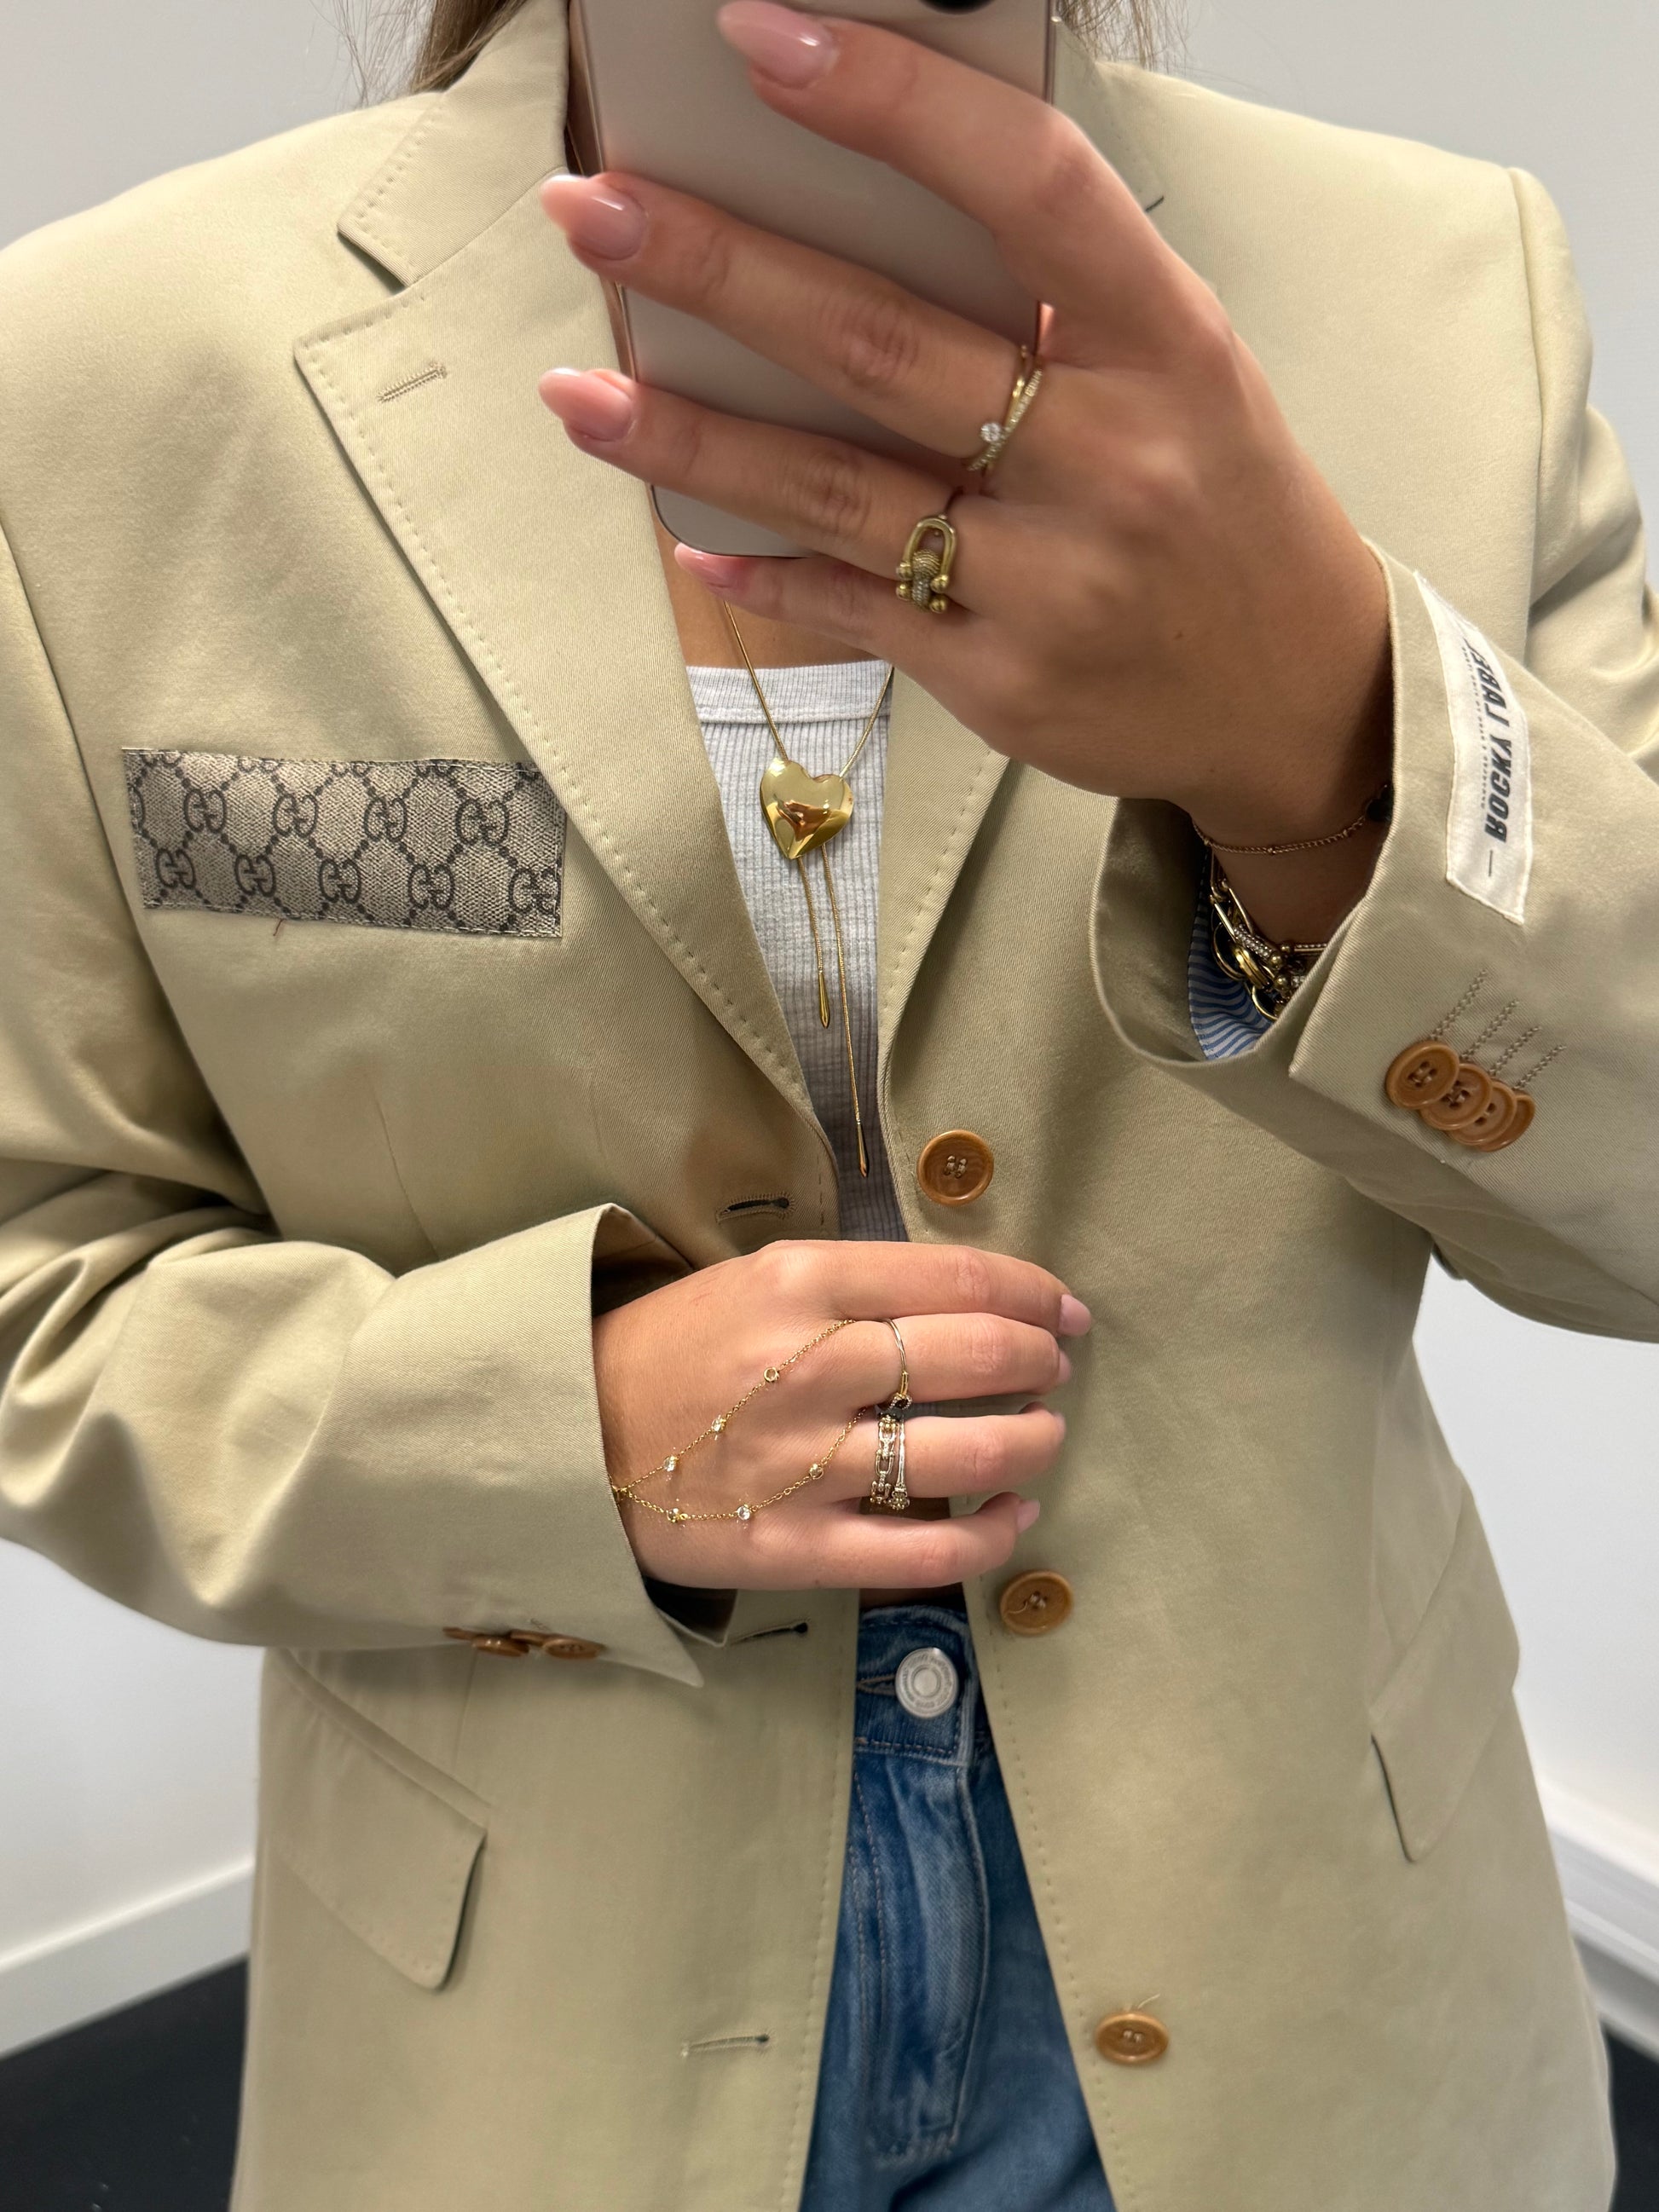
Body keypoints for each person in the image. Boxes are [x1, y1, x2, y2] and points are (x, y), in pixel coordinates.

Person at [0, 0, 1652, 2203]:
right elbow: (39, 1279)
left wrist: (1329, 753)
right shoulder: (99, 384)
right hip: (536, 2044)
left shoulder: (1444, 300)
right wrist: (558, 1429)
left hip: (1313, 1997)